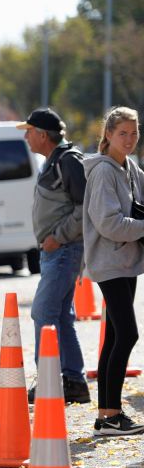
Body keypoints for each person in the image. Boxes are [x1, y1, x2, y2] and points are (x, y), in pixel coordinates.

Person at [19, 107, 91, 405]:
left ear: (42, 135)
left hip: (63, 250)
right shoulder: (54, 160)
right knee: (61, 315)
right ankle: (74, 382)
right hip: (56, 252)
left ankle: (49, 381)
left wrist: (57, 237)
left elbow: (84, 207)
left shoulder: (68, 161)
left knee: (43, 312)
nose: (26, 136)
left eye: (29, 131)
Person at [82, 106, 144, 436]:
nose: (130, 139)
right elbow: (108, 223)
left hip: (125, 261)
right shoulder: (104, 171)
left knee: (114, 336)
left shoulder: (129, 167)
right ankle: (112, 414)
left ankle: (106, 415)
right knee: (128, 334)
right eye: (123, 133)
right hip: (109, 262)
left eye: (135, 133)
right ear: (108, 134)